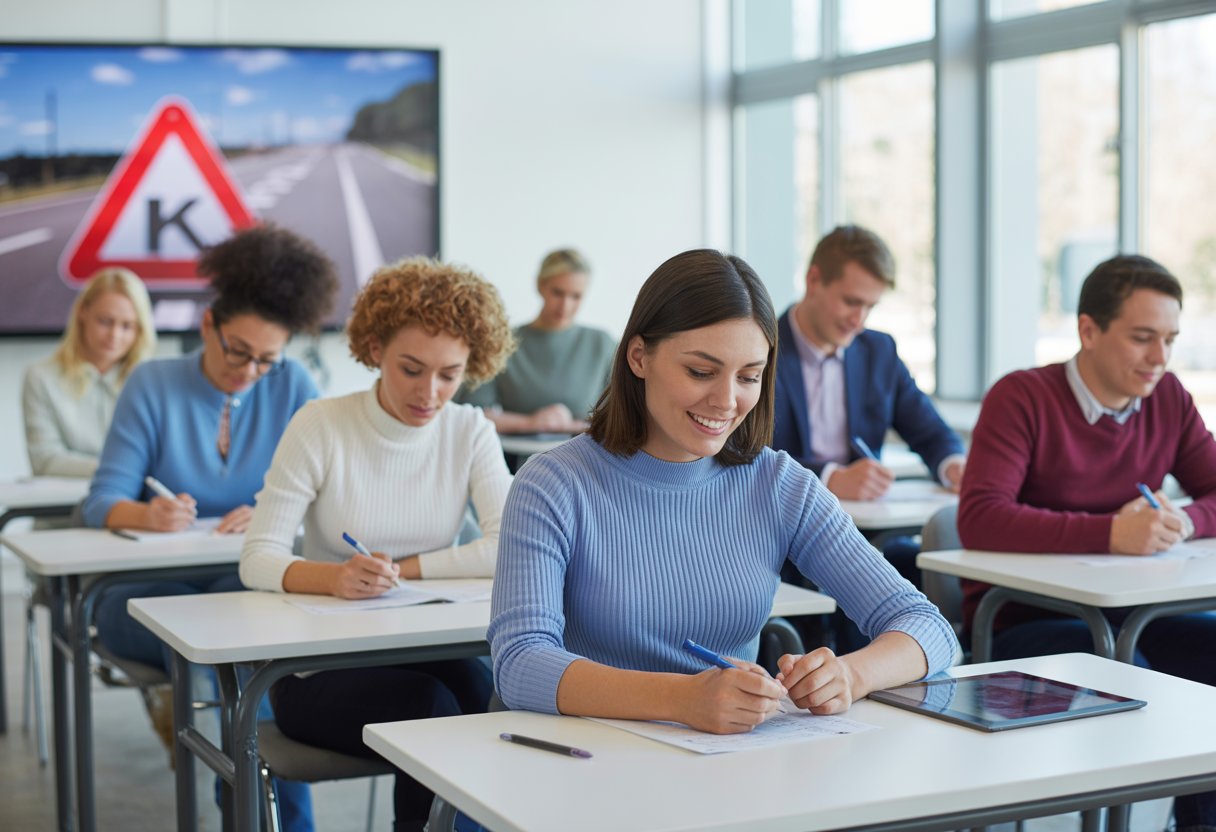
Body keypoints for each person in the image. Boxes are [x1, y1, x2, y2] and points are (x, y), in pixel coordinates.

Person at [490, 249, 957, 733]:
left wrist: (850, 674)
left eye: (749, 376)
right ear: (639, 357)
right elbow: (520, 664)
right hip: (582, 764)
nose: (726, 401)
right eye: (700, 371)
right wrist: (681, 699)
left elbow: (929, 629)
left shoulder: (779, 484)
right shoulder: (553, 483)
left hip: (725, 767)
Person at [240, 257, 515, 832]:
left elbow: (508, 548)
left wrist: (404, 569)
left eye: (449, 374)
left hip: (422, 649)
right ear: (373, 348)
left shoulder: (470, 431)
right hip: (317, 673)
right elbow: (258, 557)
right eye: (411, 369)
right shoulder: (320, 424)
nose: (430, 393)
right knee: (433, 711)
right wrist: (333, 577)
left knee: (486, 695)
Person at [83, 223, 339, 830]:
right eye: (238, 351)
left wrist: (277, 510)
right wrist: (148, 514)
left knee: (243, 644)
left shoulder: (294, 386)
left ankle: (253, 815)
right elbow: (100, 502)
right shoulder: (151, 384)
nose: (251, 370)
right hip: (137, 595)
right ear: (207, 326)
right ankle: (261, 817)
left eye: (267, 359)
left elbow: (321, 500)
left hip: (239, 582)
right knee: (234, 653)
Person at [958, 254, 1216, 831]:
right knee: (1135, 673)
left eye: (1170, 339)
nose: (1160, 358)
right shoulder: (1022, 397)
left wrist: (1189, 520)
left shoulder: (1168, 397)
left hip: (1132, 614)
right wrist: (1111, 534)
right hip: (1021, 620)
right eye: (1143, 338)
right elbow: (980, 517)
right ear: (1088, 330)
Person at [774, 225, 965, 499]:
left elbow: (930, 431)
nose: (858, 320)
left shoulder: (879, 351)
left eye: (870, 307)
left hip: (865, 523)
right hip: (782, 518)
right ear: (813, 280)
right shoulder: (762, 350)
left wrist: (953, 464)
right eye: (851, 302)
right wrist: (828, 478)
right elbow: (745, 454)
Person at [459, 248, 614, 433]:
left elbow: (622, 414)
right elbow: (473, 413)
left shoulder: (601, 344)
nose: (566, 305)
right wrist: (532, 423)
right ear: (541, 285)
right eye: (558, 293)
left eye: (576, 296)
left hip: (586, 457)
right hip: (515, 458)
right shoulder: (504, 342)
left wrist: (568, 427)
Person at [22, 267, 156, 477]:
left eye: (127, 326)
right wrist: (116, 469)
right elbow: (45, 460)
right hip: (63, 504)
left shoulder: (150, 381)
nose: (114, 335)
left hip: (136, 502)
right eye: (105, 321)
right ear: (82, 312)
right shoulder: (41, 377)